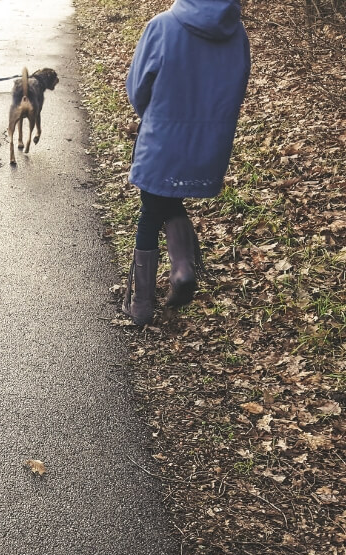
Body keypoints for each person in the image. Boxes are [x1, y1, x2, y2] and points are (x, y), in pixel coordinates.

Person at [121, 0, 250, 326]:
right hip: (209, 145)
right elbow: (237, 90)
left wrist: (156, 119)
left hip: (163, 138)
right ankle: (180, 268)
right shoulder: (238, 35)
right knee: (166, 198)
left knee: (151, 208)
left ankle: (142, 304)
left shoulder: (163, 27)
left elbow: (137, 89)